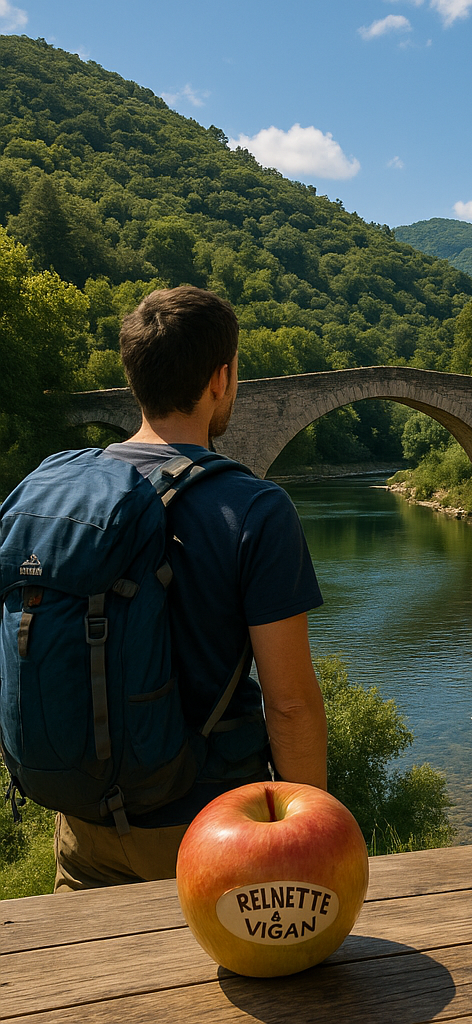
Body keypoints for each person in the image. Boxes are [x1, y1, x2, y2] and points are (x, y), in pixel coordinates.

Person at [53, 285, 328, 890]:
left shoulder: (68, 493)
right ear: (221, 378)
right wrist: (311, 840)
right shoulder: (254, 508)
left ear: (134, 378)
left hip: (82, 818)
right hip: (210, 828)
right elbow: (290, 705)